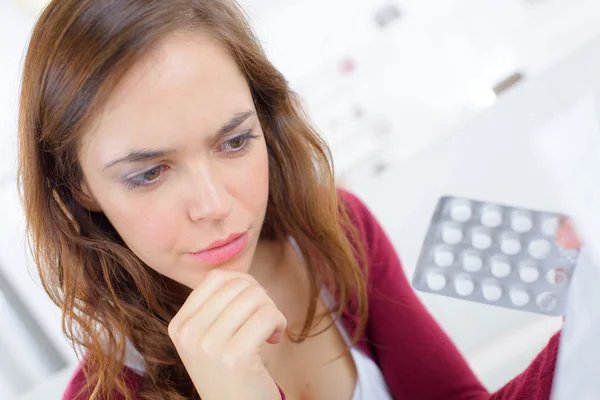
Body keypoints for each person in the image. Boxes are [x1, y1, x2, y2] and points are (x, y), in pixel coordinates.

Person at [16, 1, 581, 399]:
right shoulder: (108, 395)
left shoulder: (334, 231)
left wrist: (588, 314)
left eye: (235, 142)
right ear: (78, 186)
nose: (214, 204)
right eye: (149, 173)